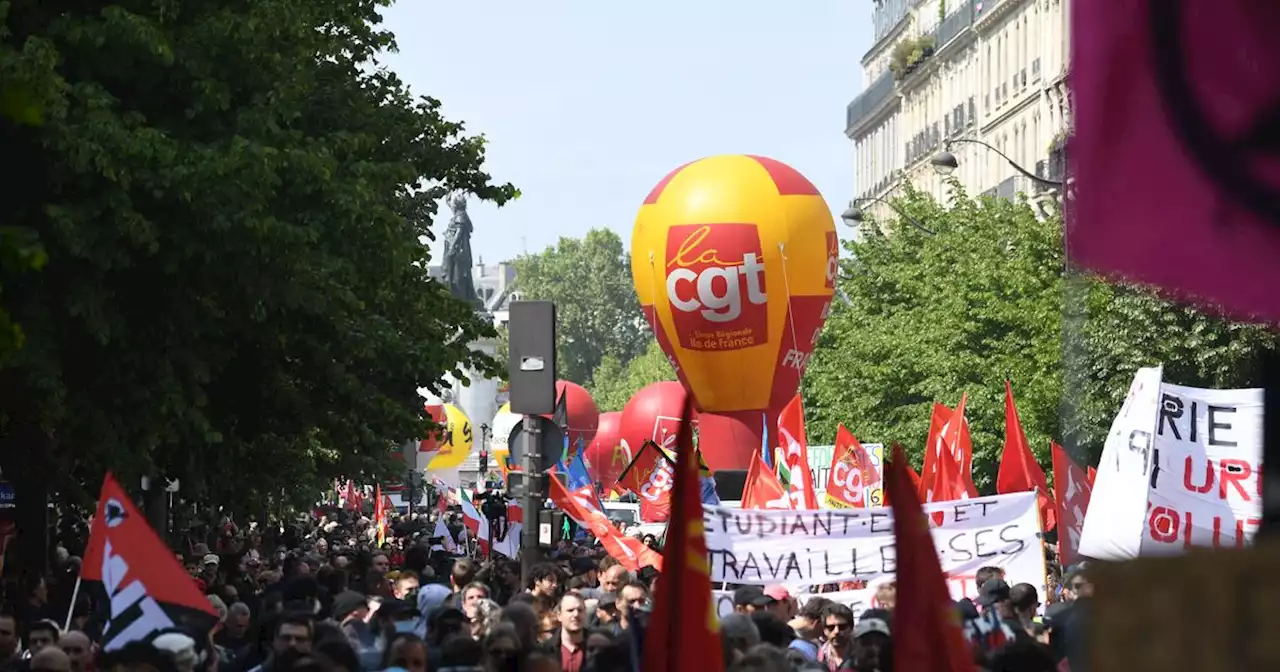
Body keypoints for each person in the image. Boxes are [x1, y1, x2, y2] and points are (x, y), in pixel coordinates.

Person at [817, 603, 857, 670]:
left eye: (842, 627)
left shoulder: (863, 654)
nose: (836, 631)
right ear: (824, 630)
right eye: (831, 627)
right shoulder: (819, 656)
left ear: (851, 627)